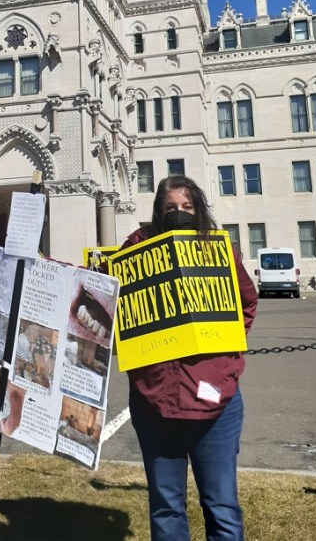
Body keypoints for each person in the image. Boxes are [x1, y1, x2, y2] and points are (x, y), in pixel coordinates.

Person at [121, 174, 257, 541]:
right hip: (155, 403)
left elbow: (247, 303)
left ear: (197, 209)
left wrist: (224, 345)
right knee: (166, 507)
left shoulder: (218, 251)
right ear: (158, 212)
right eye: (170, 208)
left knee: (222, 506)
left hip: (216, 401)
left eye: (186, 207)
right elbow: (104, 293)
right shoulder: (136, 250)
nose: (178, 213)